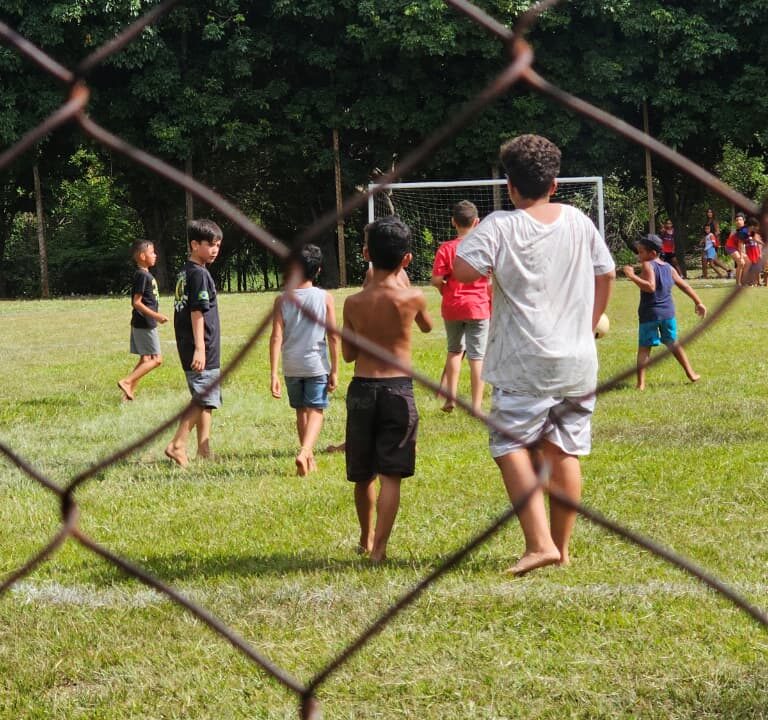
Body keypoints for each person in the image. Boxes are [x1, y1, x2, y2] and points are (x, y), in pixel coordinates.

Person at [453, 134, 615, 576]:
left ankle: (539, 544)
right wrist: (589, 323)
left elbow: (463, 269)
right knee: (564, 450)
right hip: (577, 359)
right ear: (555, 184)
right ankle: (561, 549)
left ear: (510, 186)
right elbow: (606, 273)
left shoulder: (501, 225)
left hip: (523, 363)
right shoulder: (578, 220)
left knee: (510, 445)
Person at [342, 216, 433, 562]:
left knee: (363, 474)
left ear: (366, 254)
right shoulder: (414, 297)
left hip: (362, 389)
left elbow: (348, 355)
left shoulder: (353, 303)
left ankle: (365, 539)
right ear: (406, 259)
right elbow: (427, 327)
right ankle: (380, 548)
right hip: (398, 390)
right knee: (391, 474)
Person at [269, 244, 339, 476]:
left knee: (300, 411)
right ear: (318, 270)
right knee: (316, 410)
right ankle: (305, 452)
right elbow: (333, 336)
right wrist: (335, 369)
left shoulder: (282, 300)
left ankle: (308, 459)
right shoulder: (325, 297)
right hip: (315, 365)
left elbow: (276, 337)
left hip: (291, 366)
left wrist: (274, 373)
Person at [165, 219, 223, 467]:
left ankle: (204, 448)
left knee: (206, 398)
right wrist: (200, 348)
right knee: (204, 397)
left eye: (218, 245)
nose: (215, 249)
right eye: (210, 245)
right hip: (201, 346)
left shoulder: (187, 271)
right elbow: (196, 311)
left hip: (192, 344)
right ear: (194, 244)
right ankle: (177, 445)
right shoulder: (199, 274)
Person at [623, 234, 706, 390]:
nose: (638, 256)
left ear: (653, 253)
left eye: (641, 252)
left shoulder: (648, 265)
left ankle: (641, 384)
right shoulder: (669, 268)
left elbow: (650, 287)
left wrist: (632, 276)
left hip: (650, 313)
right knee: (674, 344)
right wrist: (698, 302)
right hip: (668, 314)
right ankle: (691, 374)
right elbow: (684, 285)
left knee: (644, 348)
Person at [430, 200, 490, 414]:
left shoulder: (446, 248)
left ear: (453, 222)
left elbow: (436, 279)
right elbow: (491, 279)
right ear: (477, 222)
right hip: (478, 306)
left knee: (454, 351)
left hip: (453, 306)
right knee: (477, 356)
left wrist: (444, 290)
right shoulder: (484, 248)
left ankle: (450, 398)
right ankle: (476, 406)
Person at [117, 239, 168, 401]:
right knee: (157, 360)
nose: (155, 255)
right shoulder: (142, 275)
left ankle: (127, 395)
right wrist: (156, 316)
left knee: (145, 359)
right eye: (152, 252)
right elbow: (136, 302)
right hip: (145, 322)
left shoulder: (145, 274)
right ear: (142, 256)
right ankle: (126, 381)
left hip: (142, 322)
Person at [725, 212, 748, 285]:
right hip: (730, 247)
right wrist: (741, 257)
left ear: (744, 220)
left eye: (740, 220)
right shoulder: (739, 230)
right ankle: (738, 284)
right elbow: (740, 244)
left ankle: (744, 281)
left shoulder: (745, 229)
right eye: (737, 220)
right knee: (741, 263)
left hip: (737, 247)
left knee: (748, 262)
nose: (738, 221)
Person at [743, 216, 764, 286]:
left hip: (756, 252)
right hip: (749, 253)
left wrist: (760, 253)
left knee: (757, 268)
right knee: (750, 268)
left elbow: (759, 244)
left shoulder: (756, 234)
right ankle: (750, 282)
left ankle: (758, 282)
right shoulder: (745, 233)